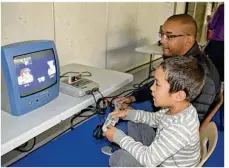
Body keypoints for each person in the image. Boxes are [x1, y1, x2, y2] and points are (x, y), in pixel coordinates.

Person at [116, 14, 220, 122]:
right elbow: (162, 82)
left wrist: (138, 117)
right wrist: (133, 97)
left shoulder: (201, 75)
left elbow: (187, 123)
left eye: (169, 36)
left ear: (188, 40)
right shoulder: (182, 60)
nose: (162, 41)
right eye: (162, 35)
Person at [104, 56, 206, 167]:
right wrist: (127, 114)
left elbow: (149, 160)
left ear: (179, 95)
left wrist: (119, 138)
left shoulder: (180, 128)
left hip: (158, 163)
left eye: (157, 84)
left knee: (119, 159)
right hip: (162, 154)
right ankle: (132, 149)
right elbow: (154, 119)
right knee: (135, 121)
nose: (151, 88)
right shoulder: (176, 107)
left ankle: (130, 149)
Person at [204, 4, 224, 81]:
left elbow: (212, 25)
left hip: (217, 43)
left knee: (212, 68)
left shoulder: (222, 7)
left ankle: (213, 89)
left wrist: (209, 22)